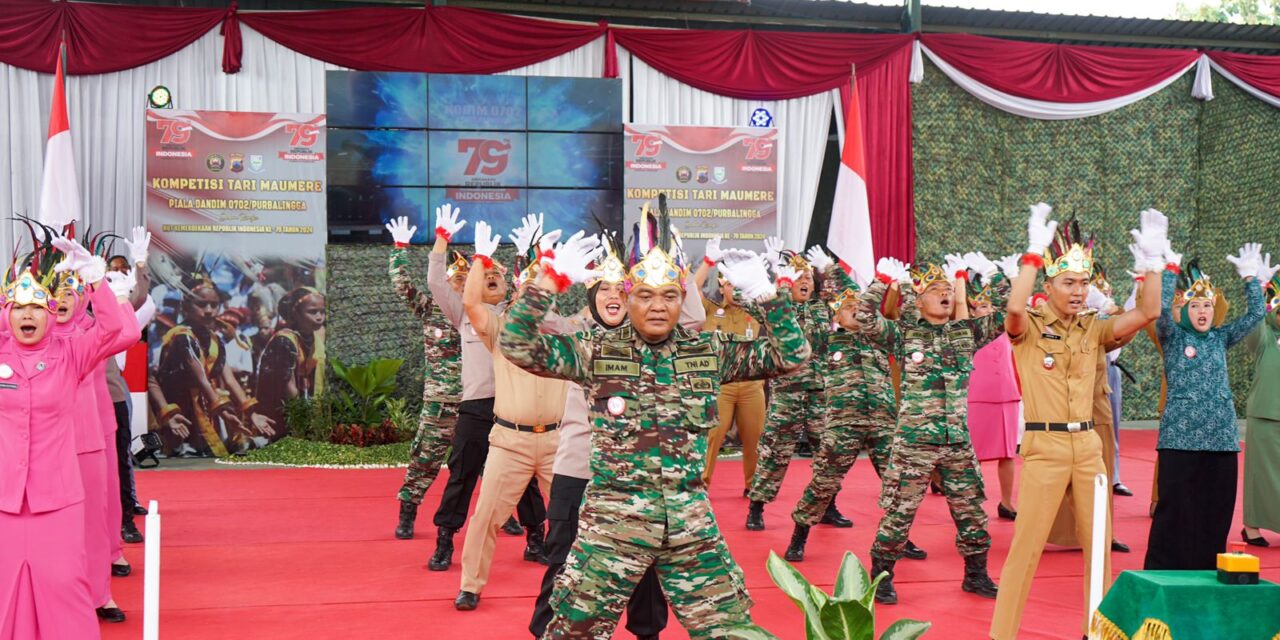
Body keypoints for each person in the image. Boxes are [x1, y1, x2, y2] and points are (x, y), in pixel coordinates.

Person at [502, 211, 810, 639]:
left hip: (689, 525)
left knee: (732, 631)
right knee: (571, 632)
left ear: (680, 299)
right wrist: (548, 283)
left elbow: (791, 356)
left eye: (668, 296)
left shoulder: (707, 350)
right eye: (645, 296)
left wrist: (765, 294)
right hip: (613, 525)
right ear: (628, 299)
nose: (658, 306)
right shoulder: (594, 350)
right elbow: (516, 344)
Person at [990, 205, 1167, 640]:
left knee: (1099, 554)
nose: (1077, 290)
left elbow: (1148, 313)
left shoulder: (1093, 328)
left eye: (1083, 283)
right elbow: (1013, 309)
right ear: (1048, 286)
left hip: (1088, 449)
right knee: (1025, 550)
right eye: (1068, 282)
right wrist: (1033, 252)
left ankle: (1098, 632)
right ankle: (1002, 634)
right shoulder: (1029, 327)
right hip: (1045, 450)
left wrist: (1153, 264)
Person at [528, 224, 703, 639]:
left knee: (646, 572)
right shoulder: (577, 336)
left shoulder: (660, 342)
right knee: (565, 564)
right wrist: (546, 274)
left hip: (640, 480)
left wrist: (678, 267)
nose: (610, 297)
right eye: (602, 290)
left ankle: (648, 634)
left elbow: (694, 320)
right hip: (579, 472)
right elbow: (528, 329)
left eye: (618, 290)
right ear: (592, 299)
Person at [0, 235, 134, 639]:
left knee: (63, 585)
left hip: (56, 497)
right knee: (5, 587)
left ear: (48, 315)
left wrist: (97, 281)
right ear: (6, 314)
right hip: (5, 497)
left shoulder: (71, 353)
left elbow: (115, 329)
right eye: (18, 307)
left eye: (36, 308)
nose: (28, 315)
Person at [859, 252, 1008, 605]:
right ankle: (881, 577)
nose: (944, 293)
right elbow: (865, 318)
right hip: (914, 443)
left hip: (956, 441)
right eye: (936, 289)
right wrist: (880, 282)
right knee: (900, 511)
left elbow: (1007, 314)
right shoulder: (905, 335)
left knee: (971, 510)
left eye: (947, 288)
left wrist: (992, 274)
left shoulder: (966, 333)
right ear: (919, 298)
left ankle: (976, 574)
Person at [454, 216, 573, 610]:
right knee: (486, 515)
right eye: (525, 292)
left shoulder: (566, 334)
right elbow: (470, 302)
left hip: (559, 442)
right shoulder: (501, 330)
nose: (531, 300)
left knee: (579, 517)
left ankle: (582, 585)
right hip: (509, 441)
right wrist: (481, 258)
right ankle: (471, 585)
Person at [782, 246, 928, 563]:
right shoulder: (825, 338)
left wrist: (904, 287)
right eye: (848, 308)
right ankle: (799, 536)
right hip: (842, 424)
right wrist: (828, 270)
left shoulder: (881, 336)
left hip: (883, 422)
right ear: (836, 314)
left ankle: (900, 538)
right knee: (823, 482)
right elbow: (808, 315)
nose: (856, 311)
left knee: (898, 482)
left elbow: (913, 325)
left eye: (860, 307)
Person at [422, 206, 546, 571]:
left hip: (515, 408)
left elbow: (536, 285)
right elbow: (434, 283)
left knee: (525, 478)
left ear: (509, 285)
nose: (491, 277)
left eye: (497, 275)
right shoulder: (463, 314)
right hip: (476, 408)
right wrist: (442, 239)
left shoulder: (519, 314)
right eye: (485, 273)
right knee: (462, 475)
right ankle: (445, 541)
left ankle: (536, 538)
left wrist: (533, 250)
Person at [1145, 250, 1268, 570]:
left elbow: (1256, 315)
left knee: (1215, 513)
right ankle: (1163, 572)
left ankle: (1205, 571)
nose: (1202, 311)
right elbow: (1158, 313)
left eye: (1208, 305)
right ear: (1184, 310)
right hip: (1180, 441)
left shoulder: (1221, 337)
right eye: (1195, 305)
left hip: (1221, 440)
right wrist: (1169, 269)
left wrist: (1251, 280)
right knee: (1174, 512)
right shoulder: (1171, 337)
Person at [747, 240, 849, 530]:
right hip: (787, 392)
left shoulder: (823, 309)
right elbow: (752, 302)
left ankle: (828, 505)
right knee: (775, 452)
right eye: (798, 278)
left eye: (808, 278)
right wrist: (778, 280)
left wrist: (829, 269)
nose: (805, 283)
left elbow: (850, 296)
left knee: (827, 452)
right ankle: (756, 507)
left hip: (820, 392)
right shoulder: (778, 307)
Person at [386, 225, 466, 540]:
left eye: (465, 279)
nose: (460, 284)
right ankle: (408, 513)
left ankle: (507, 517)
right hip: (440, 403)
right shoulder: (431, 308)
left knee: (493, 465)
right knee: (424, 460)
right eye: (455, 279)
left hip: (478, 404)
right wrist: (400, 247)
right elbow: (401, 285)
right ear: (445, 281)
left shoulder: (482, 312)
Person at [150, 270, 275, 456]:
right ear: (186, 306)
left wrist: (251, 413)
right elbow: (201, 379)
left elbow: (229, 379)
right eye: (201, 304)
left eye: (214, 305)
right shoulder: (181, 335)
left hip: (206, 406)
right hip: (179, 410)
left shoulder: (215, 339)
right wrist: (222, 410)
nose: (209, 310)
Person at [692, 241, 764, 494]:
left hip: (752, 387)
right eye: (731, 284)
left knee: (754, 439)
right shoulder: (709, 310)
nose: (736, 289)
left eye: (739, 284)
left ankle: (753, 487)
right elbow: (691, 289)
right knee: (711, 438)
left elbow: (777, 301)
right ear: (722, 286)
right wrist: (708, 263)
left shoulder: (755, 311)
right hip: (719, 387)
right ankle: (701, 485)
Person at [965, 271, 1021, 521]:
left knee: (1008, 453)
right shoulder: (967, 330)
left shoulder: (1005, 326)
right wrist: (957, 279)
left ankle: (1007, 502)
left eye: (988, 305)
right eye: (980, 306)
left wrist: (1007, 279)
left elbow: (1015, 309)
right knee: (970, 454)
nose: (985, 311)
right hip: (976, 395)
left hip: (1006, 393)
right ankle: (970, 504)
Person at [254, 286, 325, 432]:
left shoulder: (314, 338)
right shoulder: (284, 341)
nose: (319, 317)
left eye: (322, 311)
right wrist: (302, 420)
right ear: (295, 314)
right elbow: (288, 386)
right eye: (312, 312)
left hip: (306, 402)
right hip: (284, 411)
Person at [1243, 271, 1280, 547]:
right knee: (1259, 474)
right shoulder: (1265, 337)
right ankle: (1251, 527)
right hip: (1265, 414)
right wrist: (1256, 288)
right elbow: (1254, 326)